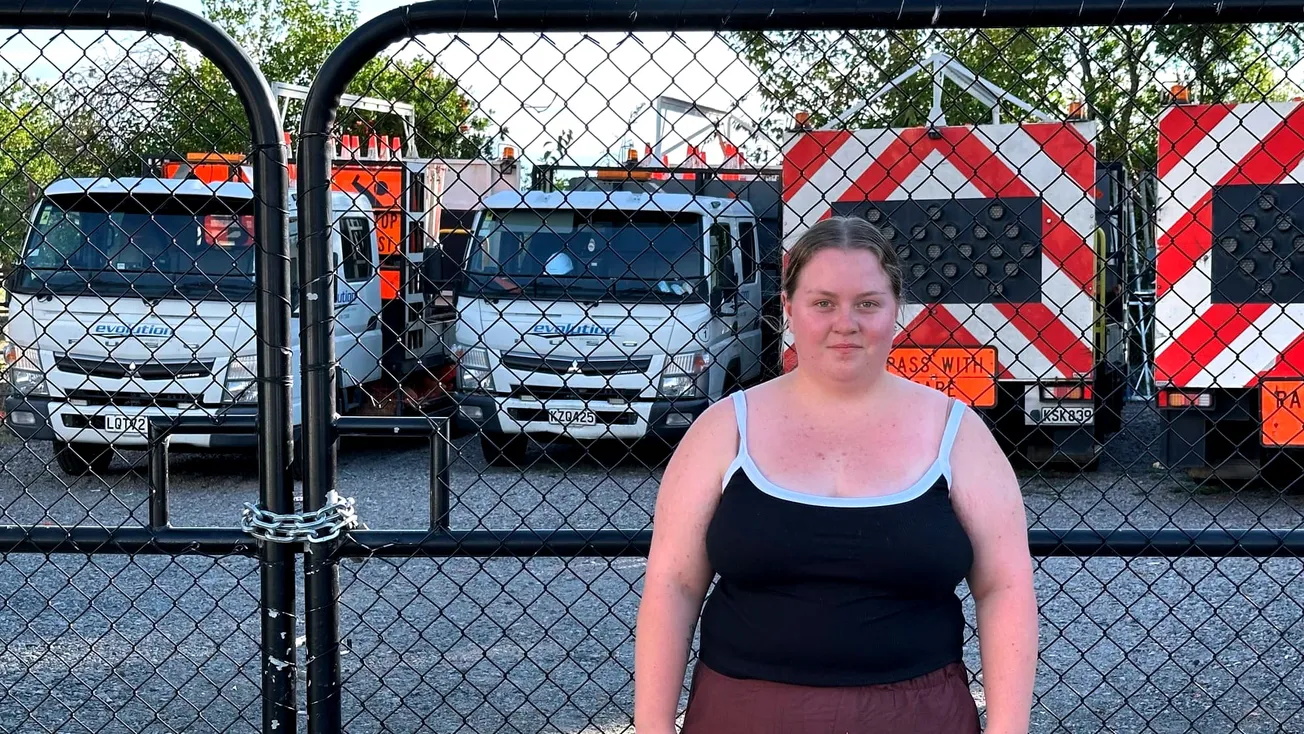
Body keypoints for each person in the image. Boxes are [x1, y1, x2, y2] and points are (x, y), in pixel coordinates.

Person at [633, 216, 1039, 733]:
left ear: (897, 310)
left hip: (919, 716)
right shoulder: (723, 431)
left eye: (867, 303)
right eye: (822, 302)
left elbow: (1004, 585)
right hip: (742, 714)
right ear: (788, 307)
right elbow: (673, 585)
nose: (845, 322)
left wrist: (1009, 729)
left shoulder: (957, 434)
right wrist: (652, 726)